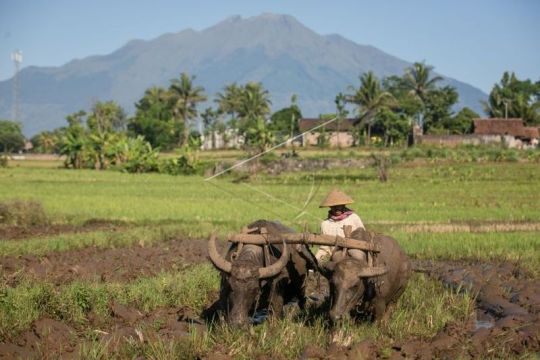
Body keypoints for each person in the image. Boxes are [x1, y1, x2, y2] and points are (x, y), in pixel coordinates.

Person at [315, 189, 365, 262]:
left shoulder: (354, 218)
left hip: (355, 252)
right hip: (336, 257)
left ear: (343, 205)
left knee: (358, 257)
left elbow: (363, 237)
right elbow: (325, 248)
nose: (336, 208)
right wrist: (316, 260)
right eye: (333, 206)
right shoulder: (325, 224)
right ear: (329, 207)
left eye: (339, 206)